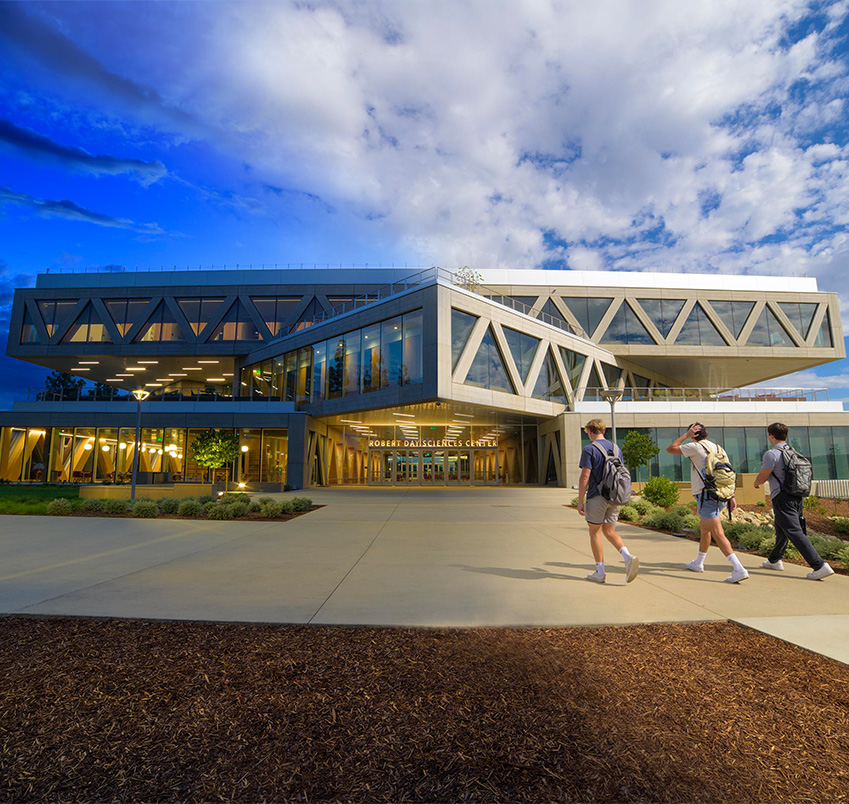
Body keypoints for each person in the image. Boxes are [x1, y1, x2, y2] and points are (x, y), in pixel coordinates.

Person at [666, 423, 749, 583]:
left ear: (693, 434)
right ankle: (699, 562)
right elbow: (727, 473)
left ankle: (738, 568)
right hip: (719, 495)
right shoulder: (719, 449)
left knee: (718, 532)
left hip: (705, 495)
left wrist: (685, 435)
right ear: (706, 433)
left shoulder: (695, 447)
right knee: (705, 529)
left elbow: (671, 448)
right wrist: (731, 496)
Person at [754, 422, 834, 580]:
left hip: (782, 496)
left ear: (771, 435)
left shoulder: (771, 454)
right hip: (797, 495)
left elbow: (764, 475)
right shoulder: (793, 451)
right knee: (782, 527)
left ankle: (819, 565)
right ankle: (775, 560)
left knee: (793, 530)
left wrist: (757, 482)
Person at [577, 418, 640, 584]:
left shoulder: (589, 449)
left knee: (595, 532)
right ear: (603, 431)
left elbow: (585, 476)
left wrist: (580, 499)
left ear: (590, 431)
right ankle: (627, 557)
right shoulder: (615, 448)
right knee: (610, 531)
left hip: (596, 496)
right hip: (614, 496)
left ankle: (600, 572)